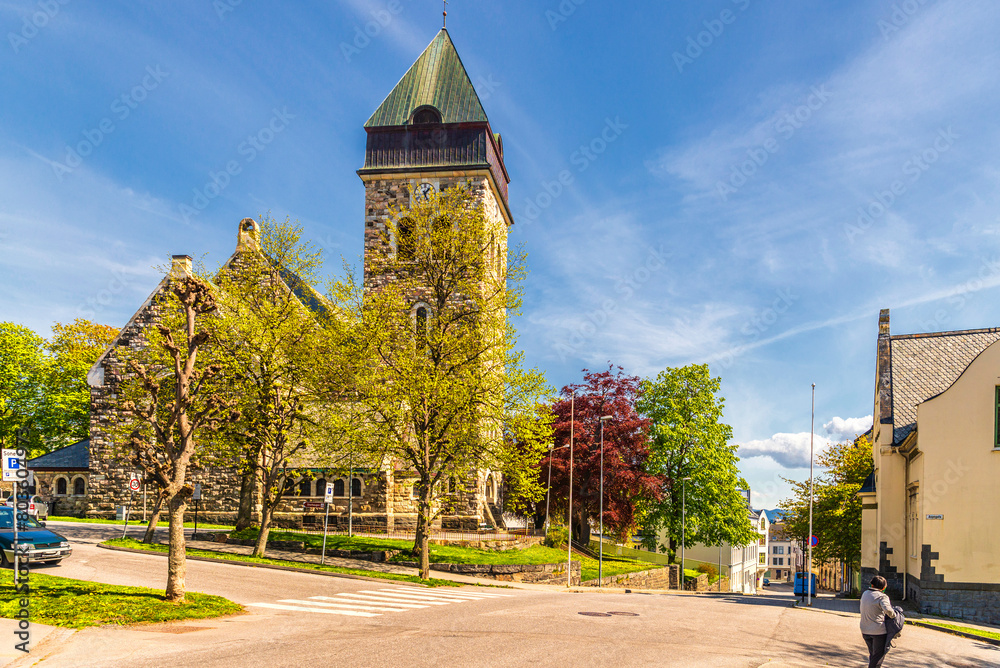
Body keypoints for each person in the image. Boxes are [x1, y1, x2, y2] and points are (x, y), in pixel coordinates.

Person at [860, 575, 897, 668]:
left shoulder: (865, 593)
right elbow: (888, 610)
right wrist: (894, 615)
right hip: (878, 631)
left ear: (871, 585)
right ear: (884, 587)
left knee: (873, 655)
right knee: (878, 655)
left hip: (865, 629)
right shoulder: (882, 597)